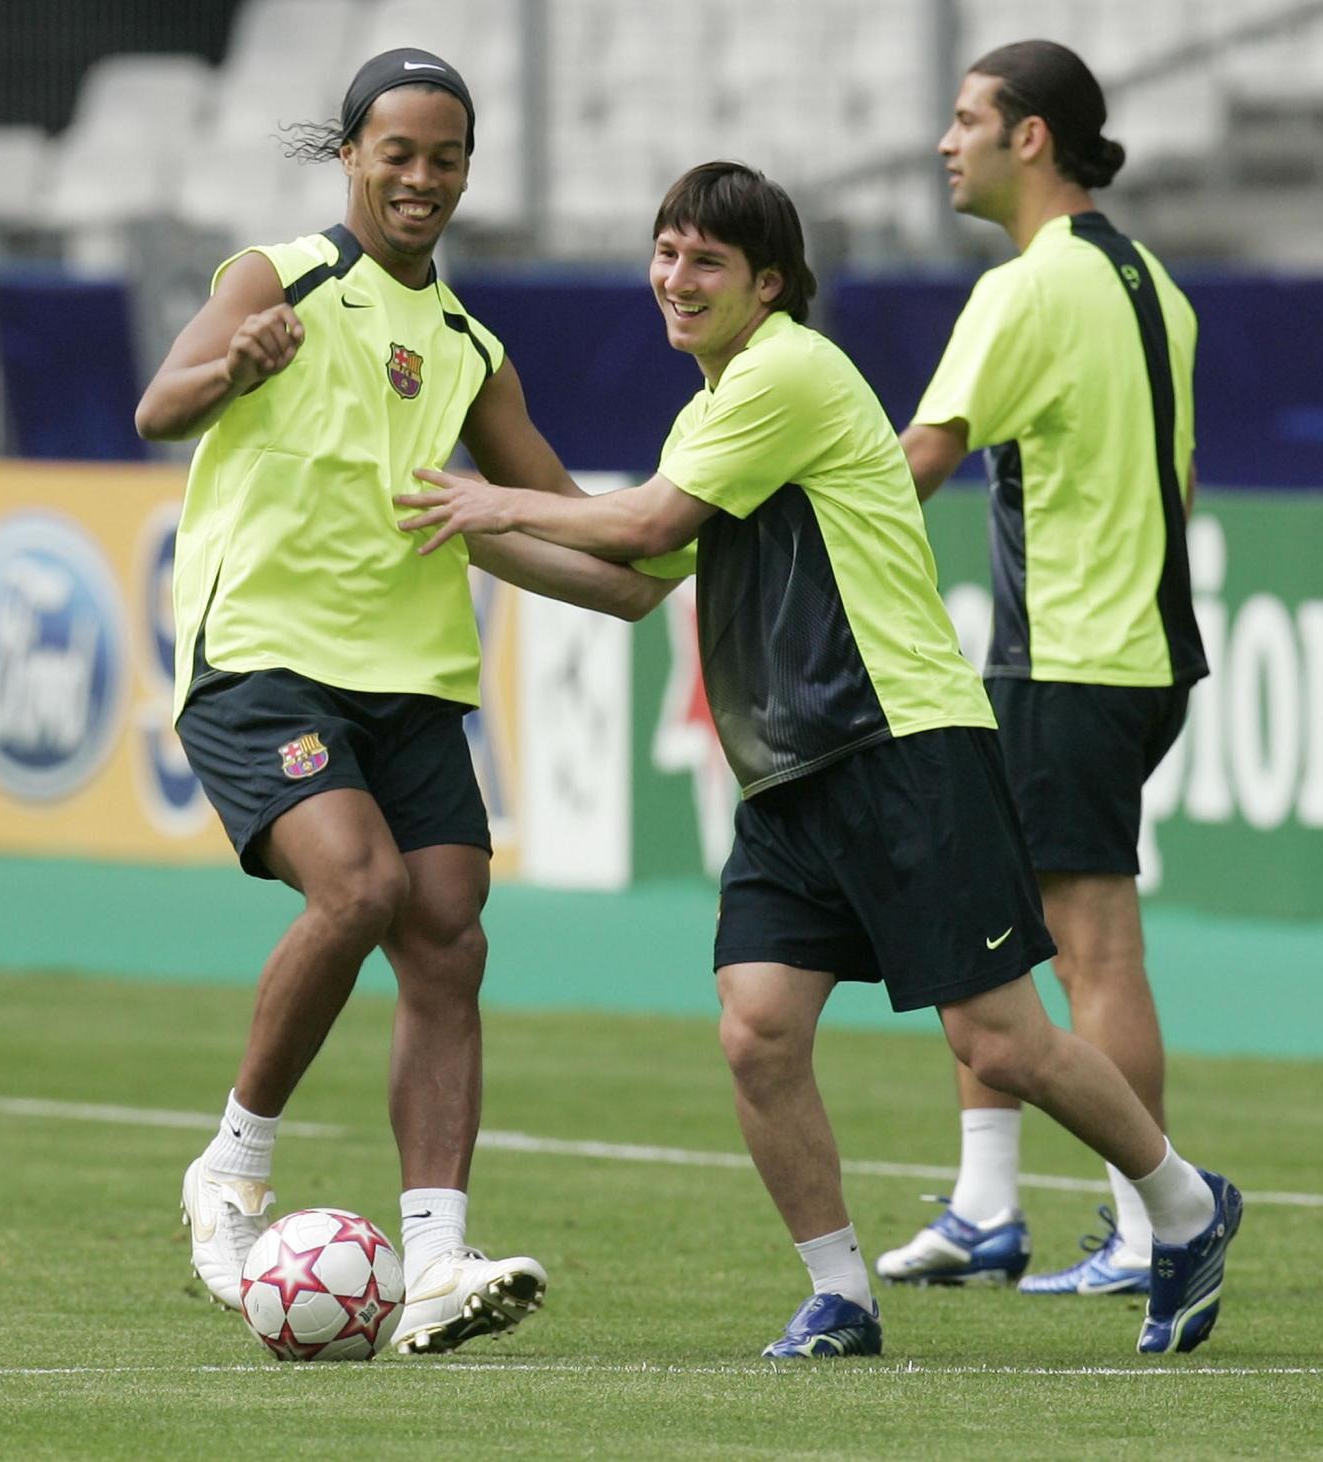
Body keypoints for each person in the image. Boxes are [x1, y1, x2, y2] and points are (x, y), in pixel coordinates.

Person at [396, 159, 1241, 1359]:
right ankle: (841, 1294)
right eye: (666, 253)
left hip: (902, 746)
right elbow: (633, 587)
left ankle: (1185, 1207)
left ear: (769, 287)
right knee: (757, 1026)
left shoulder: (786, 371)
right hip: (792, 774)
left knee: (999, 1041)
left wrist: (493, 505)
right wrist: (460, 537)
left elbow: (638, 525)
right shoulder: (719, 408)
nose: (675, 280)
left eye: (707, 263)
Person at [134, 48, 678, 1355]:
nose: (422, 178)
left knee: (448, 931)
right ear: (352, 157)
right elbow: (160, 407)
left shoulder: (472, 349)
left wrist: (680, 542)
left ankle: (435, 1259)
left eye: (445, 157)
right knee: (361, 886)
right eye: (399, 154)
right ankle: (232, 1166)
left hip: (411, 677)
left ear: (467, 169)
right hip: (263, 654)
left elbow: (568, 529)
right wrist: (236, 367)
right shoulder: (281, 279)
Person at [874, 40, 1213, 1299]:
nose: (946, 141)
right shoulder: (1153, 285)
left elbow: (915, 462)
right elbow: (1175, 484)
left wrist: (763, 525)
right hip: (1137, 653)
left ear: (1031, 137)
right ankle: (985, 1209)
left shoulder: (1029, 289)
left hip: (1066, 660)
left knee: (1090, 952)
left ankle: (1148, 1225)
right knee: (992, 928)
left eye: (968, 119)